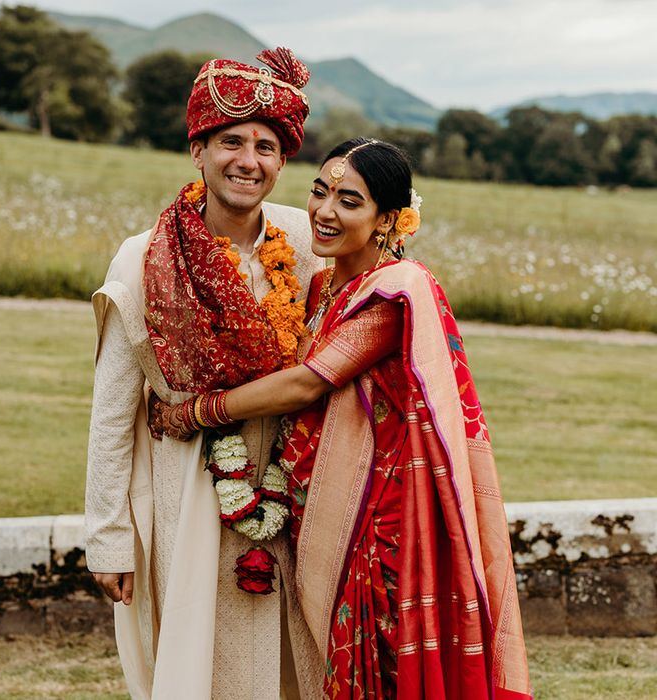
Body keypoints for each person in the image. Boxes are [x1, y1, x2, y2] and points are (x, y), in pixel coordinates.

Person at [154, 138, 533, 699]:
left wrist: (194, 413)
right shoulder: (319, 285)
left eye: (349, 201)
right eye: (319, 191)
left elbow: (310, 380)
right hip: (323, 504)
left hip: (383, 523)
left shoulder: (393, 294)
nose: (325, 212)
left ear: (388, 220)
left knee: (378, 674)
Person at [84, 48, 324, 699]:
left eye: (268, 146)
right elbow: (112, 410)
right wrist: (107, 538)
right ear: (199, 148)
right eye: (232, 141)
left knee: (293, 660)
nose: (250, 160)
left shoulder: (304, 242)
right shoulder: (144, 257)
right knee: (198, 659)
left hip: (288, 483)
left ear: (284, 160)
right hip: (186, 491)